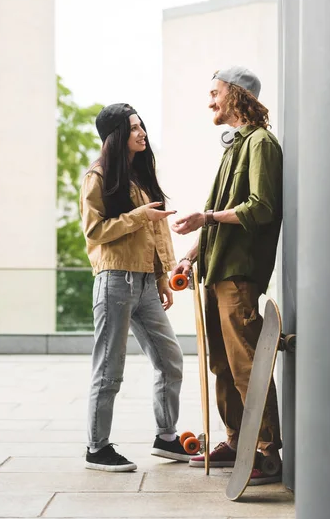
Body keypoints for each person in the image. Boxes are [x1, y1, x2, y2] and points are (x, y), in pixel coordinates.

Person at [171, 67, 283, 485]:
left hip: (239, 275)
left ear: (236, 95)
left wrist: (207, 216)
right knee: (221, 364)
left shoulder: (261, 144)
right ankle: (237, 441)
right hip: (216, 272)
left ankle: (266, 451)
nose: (210, 101)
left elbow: (262, 207)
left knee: (245, 364)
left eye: (215, 93)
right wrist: (189, 256)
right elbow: (216, 222)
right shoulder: (232, 149)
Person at [79, 102, 194, 472]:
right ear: (115, 136)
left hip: (145, 282)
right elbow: (95, 232)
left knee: (170, 358)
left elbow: (156, 229)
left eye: (141, 125)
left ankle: (166, 437)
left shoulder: (141, 175)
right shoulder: (98, 177)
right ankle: (97, 448)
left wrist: (162, 276)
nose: (141, 132)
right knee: (110, 368)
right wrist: (136, 216)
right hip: (114, 280)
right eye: (133, 128)